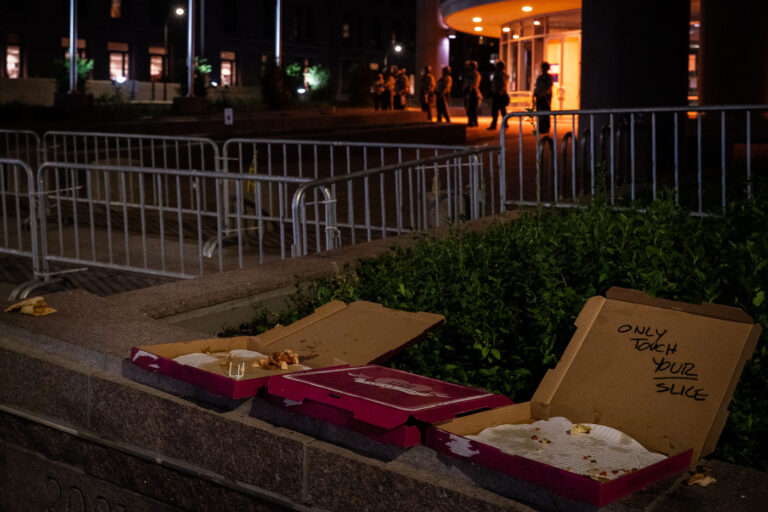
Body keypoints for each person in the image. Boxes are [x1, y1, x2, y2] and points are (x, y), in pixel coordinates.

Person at [488, 60, 510, 130]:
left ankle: (494, 124)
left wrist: (499, 91)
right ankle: (505, 123)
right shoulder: (503, 74)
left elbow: (501, 84)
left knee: (495, 110)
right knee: (502, 109)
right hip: (501, 94)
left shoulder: (499, 74)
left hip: (499, 94)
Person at [533, 61, 554, 133]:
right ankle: (540, 128)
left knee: (545, 112)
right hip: (539, 96)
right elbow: (537, 87)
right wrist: (534, 94)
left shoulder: (548, 77)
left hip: (545, 97)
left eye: (543, 67)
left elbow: (549, 87)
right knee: (539, 112)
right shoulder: (540, 77)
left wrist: (544, 94)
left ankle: (546, 128)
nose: (542, 69)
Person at [464, 60, 482, 127]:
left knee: (472, 108)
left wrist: (470, 89)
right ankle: (471, 121)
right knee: (469, 108)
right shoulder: (470, 73)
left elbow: (474, 83)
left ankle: (473, 122)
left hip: (473, 91)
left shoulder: (475, 73)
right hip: (469, 91)